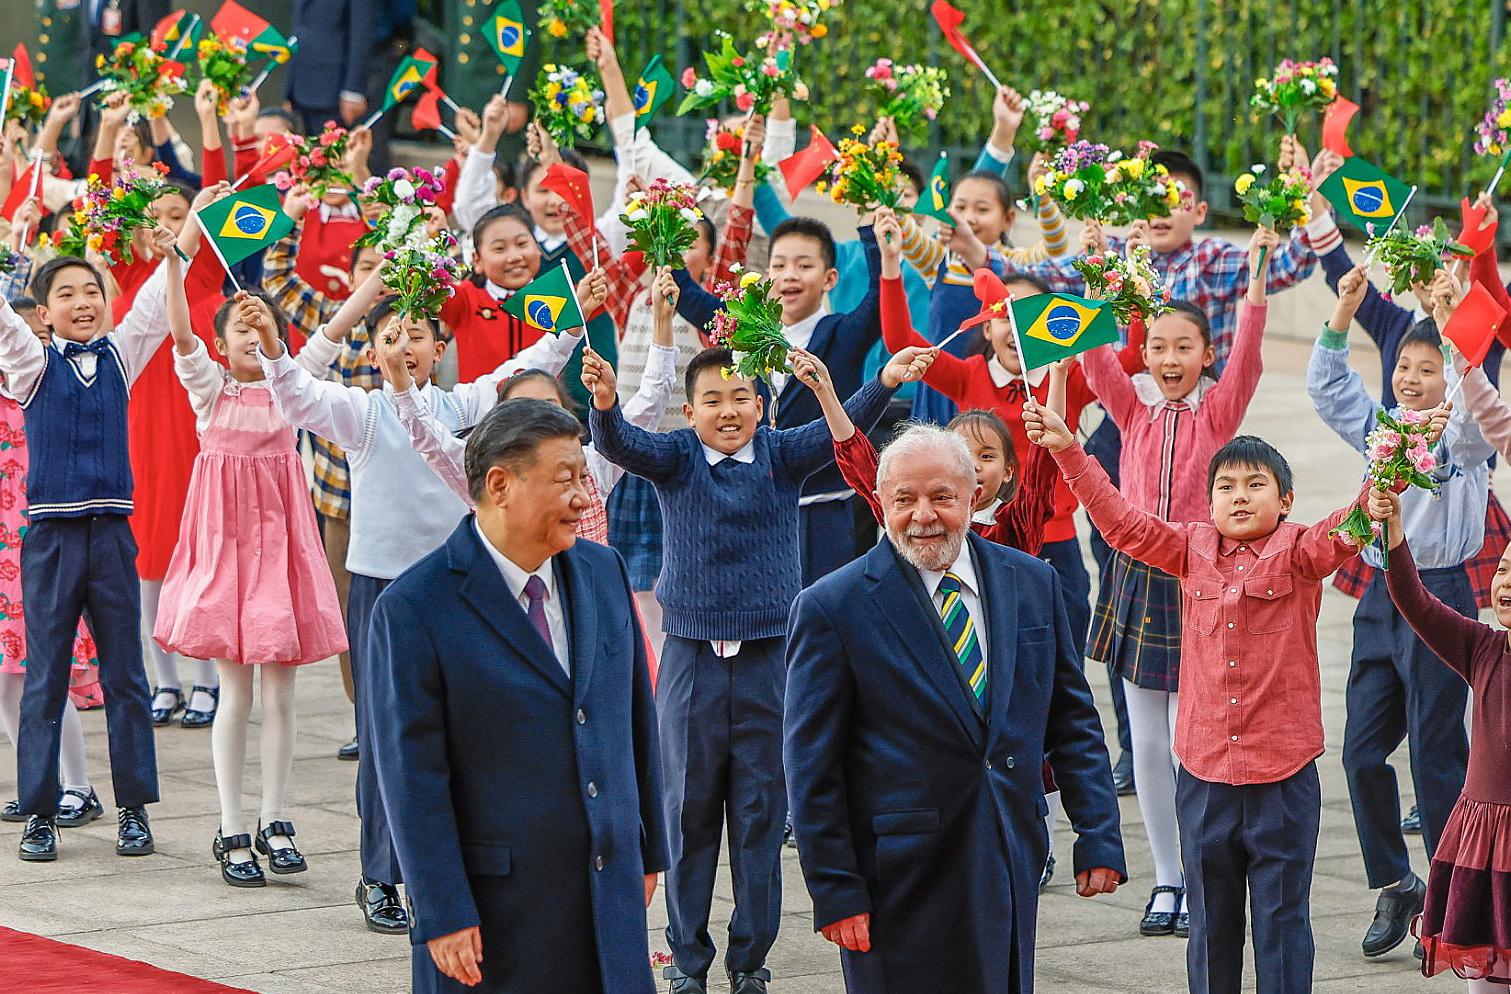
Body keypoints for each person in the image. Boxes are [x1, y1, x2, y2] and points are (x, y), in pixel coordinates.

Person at [260, 270, 594, 933]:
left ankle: (442, 874)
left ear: (440, 347)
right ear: (374, 349)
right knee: (389, 739)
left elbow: (538, 358)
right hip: (385, 592)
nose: (405, 344)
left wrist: (575, 306)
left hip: (460, 588)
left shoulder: (468, 406)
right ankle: (380, 874)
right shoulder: (363, 411)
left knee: (463, 734)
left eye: (417, 332)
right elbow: (293, 394)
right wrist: (274, 347)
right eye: (391, 334)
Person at [589, 345, 927, 994]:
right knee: (686, 818)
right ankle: (687, 962)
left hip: (771, 660)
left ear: (763, 406)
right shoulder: (676, 458)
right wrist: (604, 404)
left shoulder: (780, 454)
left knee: (759, 819)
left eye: (741, 397)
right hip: (690, 662)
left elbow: (843, 429)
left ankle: (750, 960)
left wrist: (880, 378)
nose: (727, 410)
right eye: (712, 400)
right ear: (689, 412)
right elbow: (623, 444)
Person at [1026, 403, 1391, 994]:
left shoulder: (1301, 551)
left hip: (1283, 775)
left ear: (1286, 501)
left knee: (1282, 922)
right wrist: (1071, 449)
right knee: (1211, 926)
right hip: (1203, 773)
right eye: (1226, 486)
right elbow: (1120, 523)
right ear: (1208, 500)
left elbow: (1349, 526)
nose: (1239, 496)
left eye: (1256, 485)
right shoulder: (1189, 547)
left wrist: (1393, 468)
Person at [784, 421, 1125, 993]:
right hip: (895, 876)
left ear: (975, 496)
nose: (923, 515)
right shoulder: (831, 607)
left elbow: (1072, 717)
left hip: (1007, 854)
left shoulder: (1031, 582)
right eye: (904, 499)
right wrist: (835, 888)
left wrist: (1097, 831)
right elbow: (810, 766)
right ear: (880, 502)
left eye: (942, 497)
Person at [367, 396, 667, 994]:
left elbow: (635, 715)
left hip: (607, 893)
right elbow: (410, 779)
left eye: (584, 476)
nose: (584, 496)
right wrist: (442, 909)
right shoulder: (413, 609)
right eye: (565, 479)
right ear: (500, 484)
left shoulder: (602, 571)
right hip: (492, 911)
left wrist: (646, 847)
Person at [1078, 227, 1278, 935]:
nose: (1167, 358)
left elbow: (1250, 354)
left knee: (1196, 740)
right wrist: (1105, 260)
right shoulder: (1129, 406)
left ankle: (1200, 875)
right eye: (1157, 346)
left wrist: (1256, 269)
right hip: (1136, 575)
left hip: (1200, 576)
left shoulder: (1220, 409)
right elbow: (1091, 347)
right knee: (1146, 740)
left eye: (1183, 348)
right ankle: (1165, 878)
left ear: (1205, 356)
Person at [153, 219, 347, 888]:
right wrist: (177, 258)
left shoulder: (293, 385)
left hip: (283, 550)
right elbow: (178, 333)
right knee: (234, 690)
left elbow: (336, 327)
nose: (251, 330)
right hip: (228, 554)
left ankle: (275, 817)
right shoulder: (209, 388)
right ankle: (232, 825)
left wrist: (385, 269)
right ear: (220, 344)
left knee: (284, 691)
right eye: (238, 325)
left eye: (261, 325)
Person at [1309, 267, 1491, 958]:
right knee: (1359, 752)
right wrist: (1341, 312)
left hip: (1439, 594)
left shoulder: (1461, 441)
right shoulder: (1381, 428)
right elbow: (1329, 389)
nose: (1410, 379)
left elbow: (1476, 411)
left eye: (1425, 369)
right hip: (1381, 595)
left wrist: (1453, 335)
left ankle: (1450, 898)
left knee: (1436, 754)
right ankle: (1396, 881)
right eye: (1402, 367)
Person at [2, 229, 181, 862]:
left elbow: (159, 300)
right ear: (43, 313)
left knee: (126, 676)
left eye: (92, 291)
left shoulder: (122, 356)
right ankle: (40, 812)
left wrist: (179, 239)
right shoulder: (31, 363)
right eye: (66, 294)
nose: (83, 301)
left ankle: (134, 810)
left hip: (111, 536)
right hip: (50, 539)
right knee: (44, 679)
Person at [669, 217, 885, 584]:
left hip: (823, 507)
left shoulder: (842, 334)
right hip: (756, 504)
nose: (790, 276)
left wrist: (870, 234)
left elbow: (881, 300)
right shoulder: (746, 330)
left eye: (804, 266)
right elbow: (688, 297)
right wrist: (664, 233)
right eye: (780, 265)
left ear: (830, 278)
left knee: (822, 617)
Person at [1379, 492, 1511, 993]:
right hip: (1483, 840)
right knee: (1482, 967)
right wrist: (1393, 533)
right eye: (1502, 571)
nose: (1506, 583)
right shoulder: (1482, 648)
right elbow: (1414, 601)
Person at [285, 0, 375, 134]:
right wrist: (289, 87)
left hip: (333, 88)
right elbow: (299, 29)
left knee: (329, 150)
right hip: (301, 84)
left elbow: (361, 34)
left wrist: (353, 90)